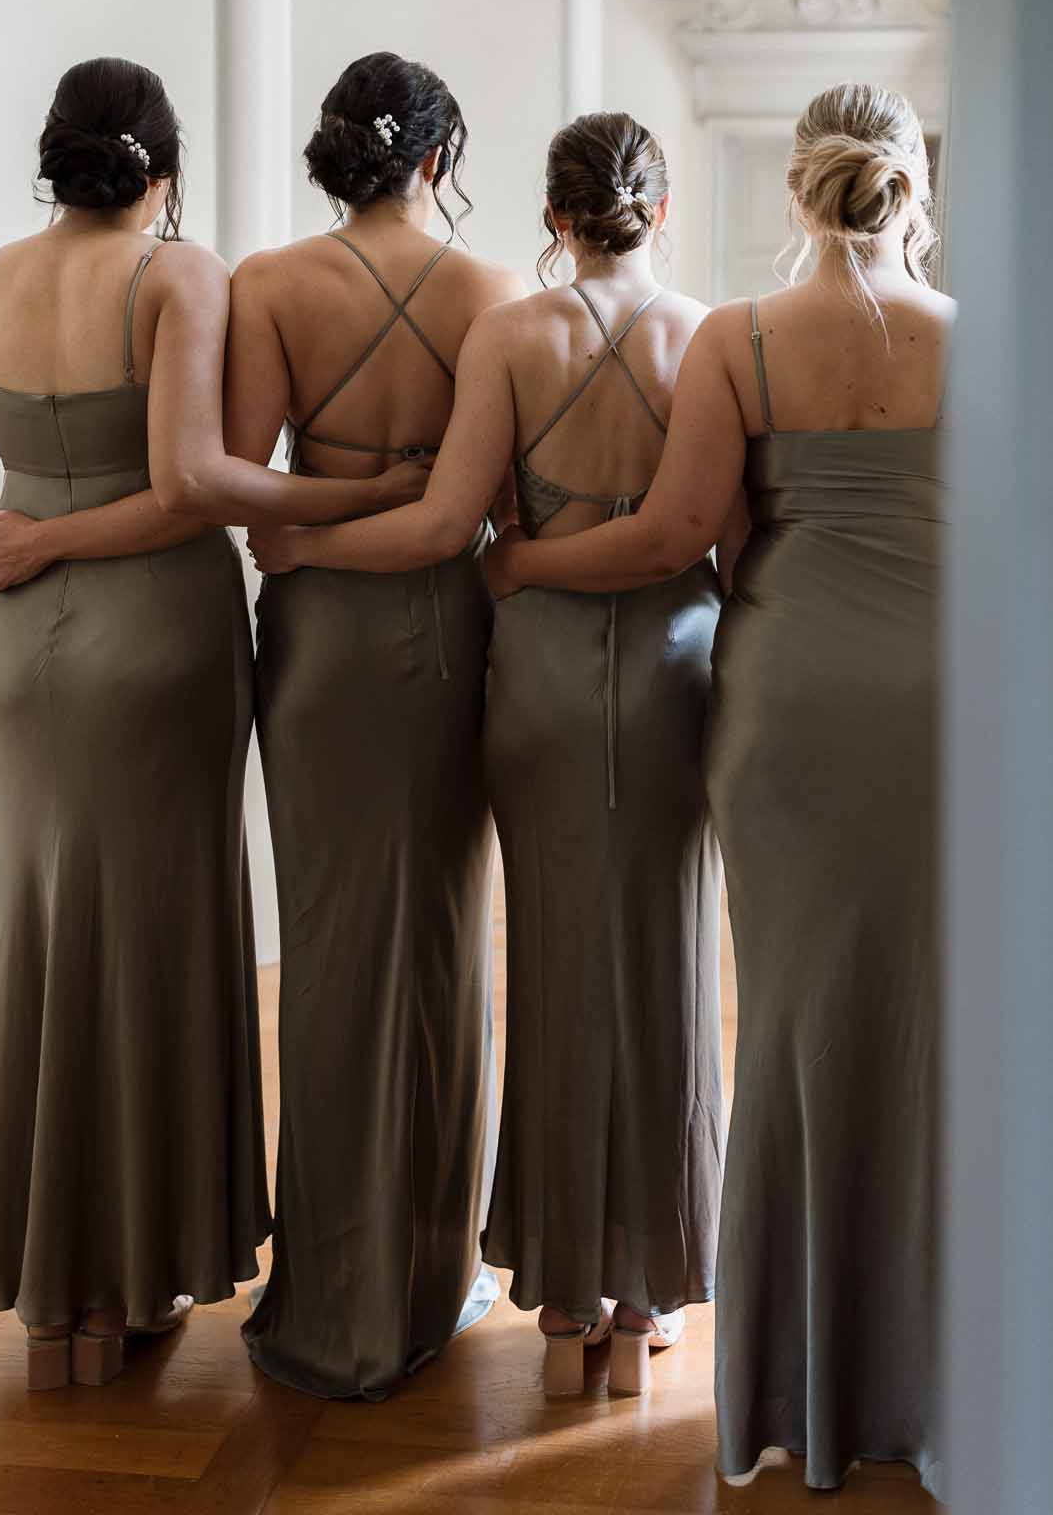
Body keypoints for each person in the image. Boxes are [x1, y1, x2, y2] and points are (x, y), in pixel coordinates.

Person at [0, 57, 421, 1390]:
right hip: (160, 633)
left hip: (22, 640)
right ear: (164, 167)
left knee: (44, 936)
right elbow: (197, 486)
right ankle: (138, 1277)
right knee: (165, 937)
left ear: (53, 157)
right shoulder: (179, 275)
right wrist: (370, 500)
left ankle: (49, 1290)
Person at [485, 83, 950, 1492]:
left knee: (793, 1025)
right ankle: (934, 1381)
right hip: (943, 699)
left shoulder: (740, 339)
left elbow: (678, 535)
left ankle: (801, 1389)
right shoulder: (980, 337)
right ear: (906, 187)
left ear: (798, 191)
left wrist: (516, 562)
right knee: (938, 1031)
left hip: (787, 700)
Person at [251, 110, 725, 1400]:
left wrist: (303, 551)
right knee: (671, 970)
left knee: (555, 968)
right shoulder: (713, 337)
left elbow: (444, 527)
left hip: (541, 683)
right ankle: (650, 1295)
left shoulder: (513, 334)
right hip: (679, 677)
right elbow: (722, 539)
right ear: (661, 210)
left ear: (555, 216)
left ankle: (569, 1299)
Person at [225, 50, 524, 1400]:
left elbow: (251, 502)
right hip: (446, 630)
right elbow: (464, 511)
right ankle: (421, 1274)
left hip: (320, 645)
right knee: (443, 950)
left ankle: (332, 1287)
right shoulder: (490, 293)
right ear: (438, 164)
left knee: (336, 950)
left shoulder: (267, 287)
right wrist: (402, 493)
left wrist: (321, 513)